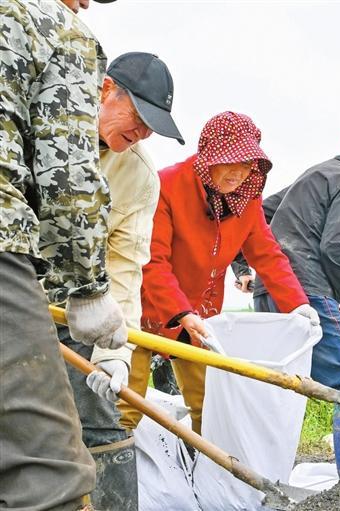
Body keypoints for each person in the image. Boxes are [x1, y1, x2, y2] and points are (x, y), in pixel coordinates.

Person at [0, 0, 126, 509]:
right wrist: (90, 287)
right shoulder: (50, 23)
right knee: (48, 475)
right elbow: (68, 184)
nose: (88, 4)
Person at [118, 111, 315, 435]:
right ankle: (108, 480)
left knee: (209, 407)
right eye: (231, 161)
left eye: (247, 164)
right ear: (210, 156)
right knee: (127, 404)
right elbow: (153, 260)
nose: (239, 173)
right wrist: (180, 312)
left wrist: (298, 305)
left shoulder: (247, 200)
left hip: (201, 317)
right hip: (147, 308)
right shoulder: (167, 184)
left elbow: (267, 255)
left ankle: (206, 481)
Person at [230, 127, 340, 475]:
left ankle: (263, 475)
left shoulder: (314, 174)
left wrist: (243, 268)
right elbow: (333, 248)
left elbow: (257, 213)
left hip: (270, 292)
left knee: (279, 385)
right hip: (306, 292)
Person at [54, 52, 184, 511]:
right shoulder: (41, 122)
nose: (144, 133)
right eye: (140, 117)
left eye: (154, 126)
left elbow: (126, 267)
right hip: (16, 293)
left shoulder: (138, 175)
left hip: (79, 308)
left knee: (101, 418)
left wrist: (114, 354)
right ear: (106, 90)